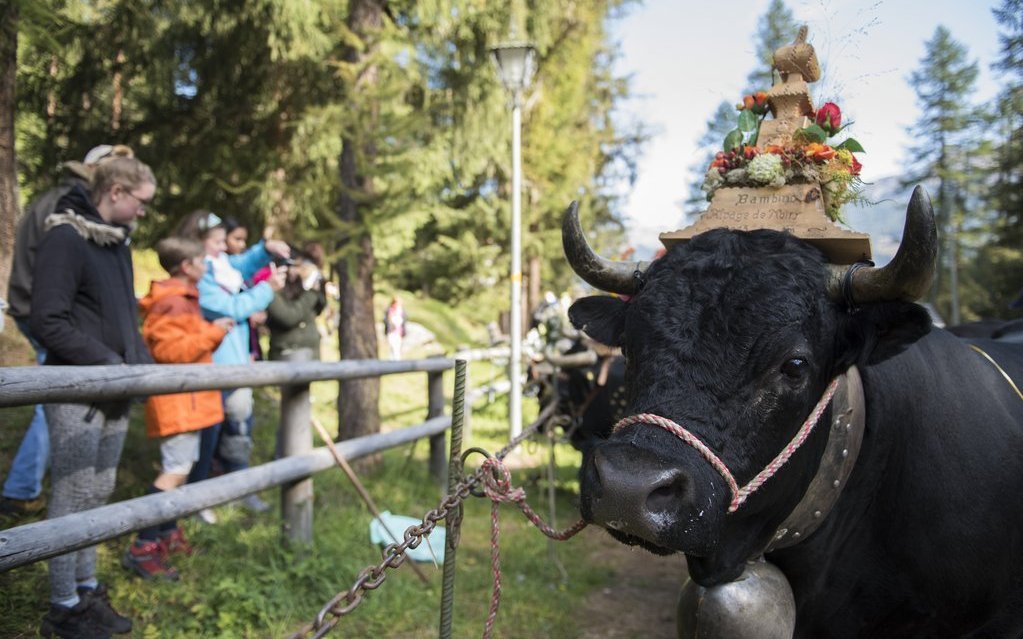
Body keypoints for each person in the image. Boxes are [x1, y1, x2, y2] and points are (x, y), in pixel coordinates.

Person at [30, 155, 156, 638]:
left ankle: (86, 588)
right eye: (141, 203)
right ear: (117, 192)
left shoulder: (117, 244)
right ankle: (62, 608)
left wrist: (142, 370)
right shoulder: (66, 238)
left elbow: (126, 319)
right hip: (78, 391)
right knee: (72, 494)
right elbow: (49, 319)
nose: (144, 213)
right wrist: (107, 364)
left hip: (116, 389)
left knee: (99, 492)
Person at [1, 144, 133, 523]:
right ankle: (23, 489)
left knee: (56, 399)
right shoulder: (66, 208)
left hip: (42, 308)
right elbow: (55, 276)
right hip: (44, 312)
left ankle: (27, 488)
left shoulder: (69, 204)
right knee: (59, 400)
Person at [122, 237, 234, 580]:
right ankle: (144, 543)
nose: (207, 266)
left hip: (191, 402)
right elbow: (171, 352)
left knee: (182, 469)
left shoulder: (185, 299)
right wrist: (213, 333)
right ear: (187, 266)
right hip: (178, 403)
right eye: (202, 260)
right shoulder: (172, 301)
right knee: (174, 469)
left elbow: (184, 340)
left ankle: (167, 530)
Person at [177, 210, 288, 518]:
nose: (224, 247)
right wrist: (267, 290)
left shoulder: (220, 266)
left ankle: (235, 488)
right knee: (208, 435)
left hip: (236, 363)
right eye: (216, 242)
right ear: (197, 243)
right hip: (213, 366)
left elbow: (242, 265)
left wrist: (266, 249)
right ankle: (198, 498)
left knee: (239, 429)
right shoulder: (200, 276)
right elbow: (230, 307)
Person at [266, 242, 327, 361]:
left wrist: (317, 283)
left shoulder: (301, 287)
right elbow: (289, 316)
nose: (295, 271)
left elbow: (319, 307)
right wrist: (311, 293)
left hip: (310, 354)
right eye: (291, 266)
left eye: (298, 266)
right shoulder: (272, 291)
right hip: (287, 356)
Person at [384, 295, 407, 360]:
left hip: (398, 332)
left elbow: (404, 321)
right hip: (391, 332)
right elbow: (387, 321)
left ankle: (397, 363)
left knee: (397, 349)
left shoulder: (401, 311)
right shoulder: (390, 310)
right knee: (392, 348)